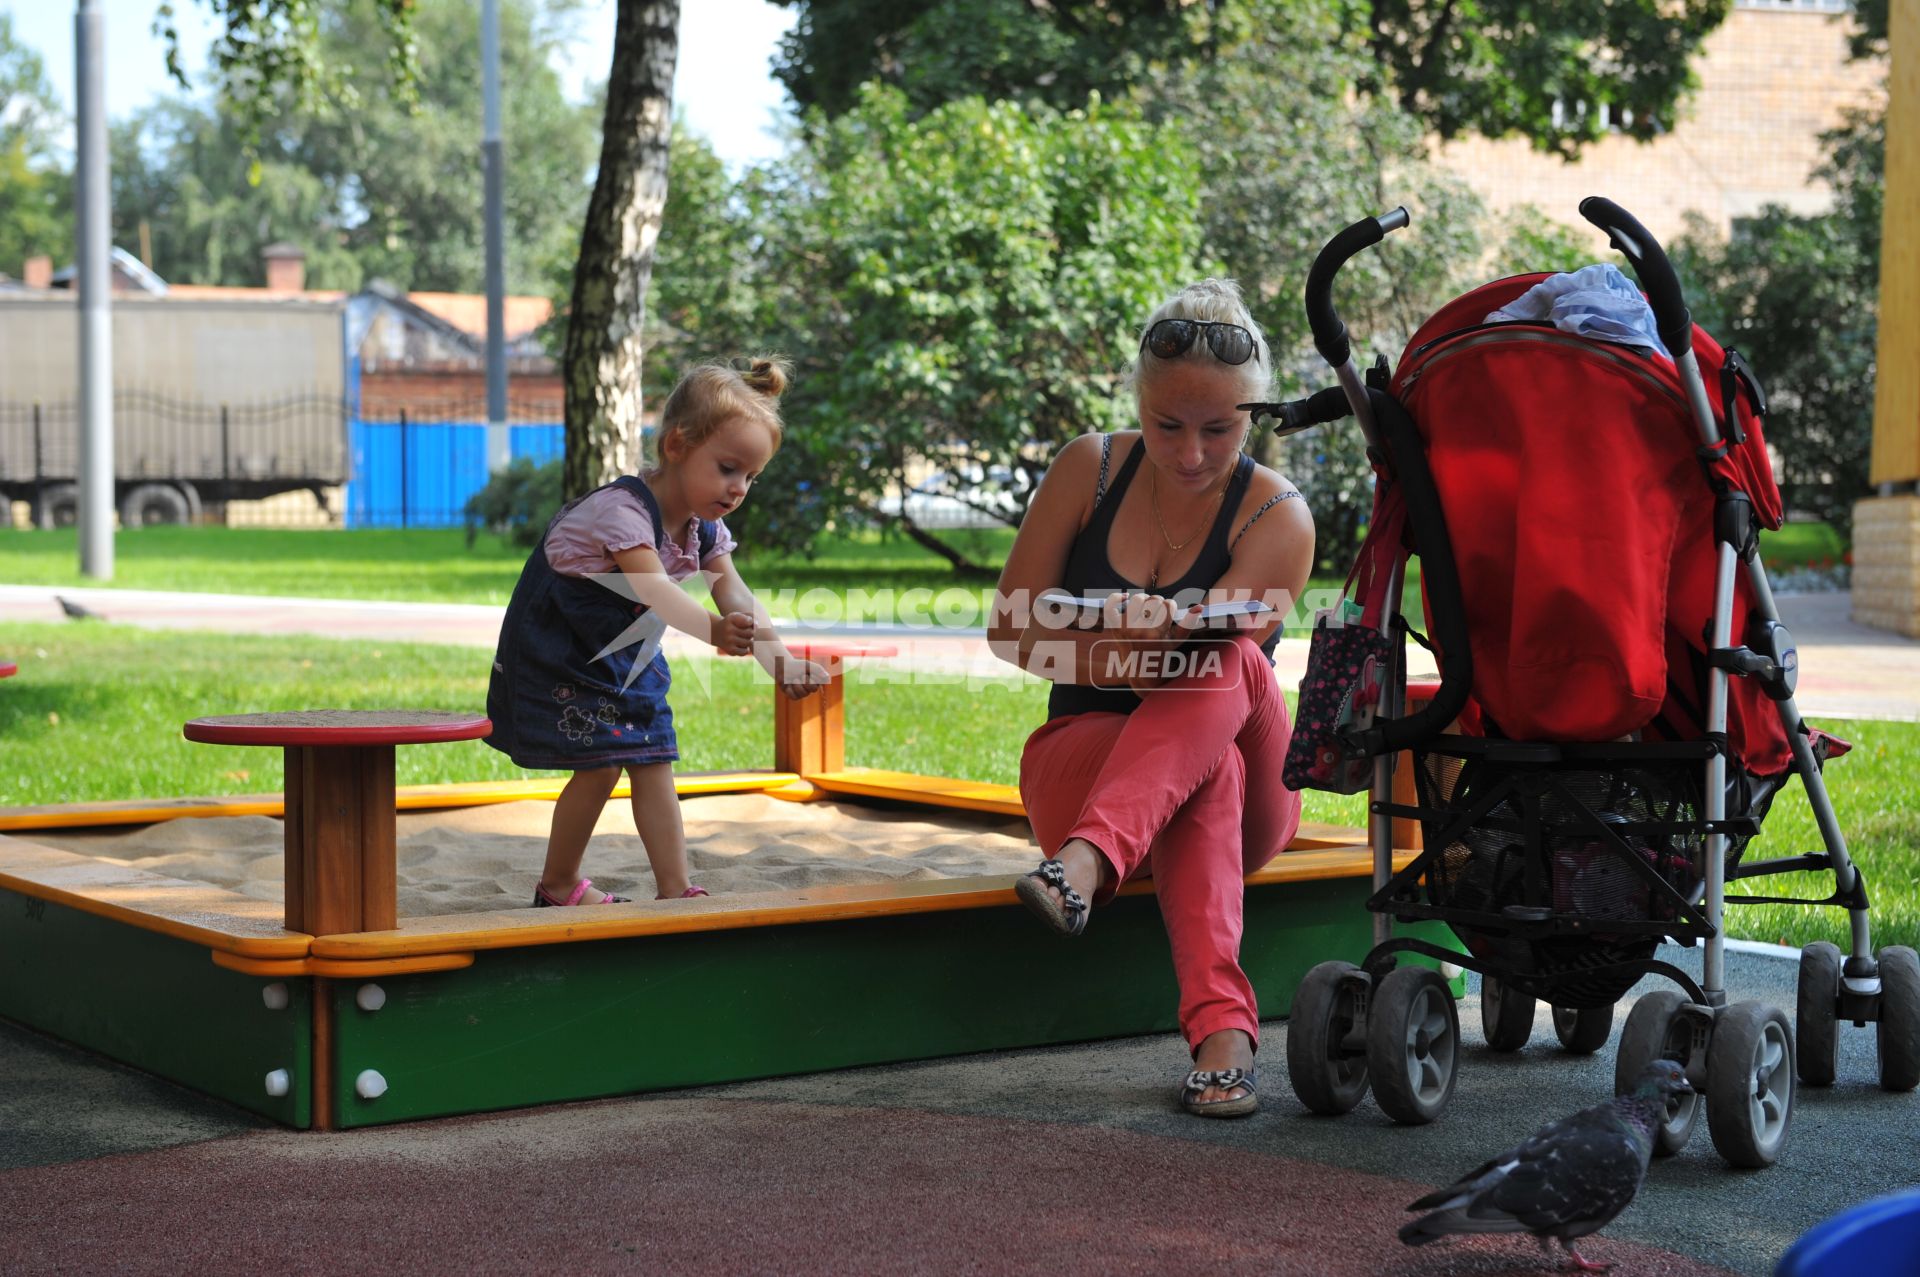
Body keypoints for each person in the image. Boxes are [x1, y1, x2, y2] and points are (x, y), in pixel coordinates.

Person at [988, 279, 1314, 1117]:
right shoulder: (1086, 468)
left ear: (1258, 414)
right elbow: (1009, 630)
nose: (1194, 451)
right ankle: (1224, 1036)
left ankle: (1086, 867)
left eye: (1222, 428)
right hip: (1088, 764)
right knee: (1208, 774)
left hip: (1244, 788)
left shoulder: (1279, 513)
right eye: (1169, 425)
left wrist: (1161, 649)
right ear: (1138, 400)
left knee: (1232, 661)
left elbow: (1230, 645)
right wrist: (1119, 651)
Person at [485, 357, 828, 906]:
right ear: (676, 445)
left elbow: (734, 592)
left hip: (627, 654)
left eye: (750, 477)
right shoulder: (621, 512)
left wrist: (778, 659)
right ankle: (558, 884)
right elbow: (656, 591)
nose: (739, 487)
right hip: (561, 650)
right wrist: (715, 632)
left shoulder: (705, 526)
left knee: (652, 757)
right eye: (727, 468)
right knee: (600, 765)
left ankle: (676, 888)